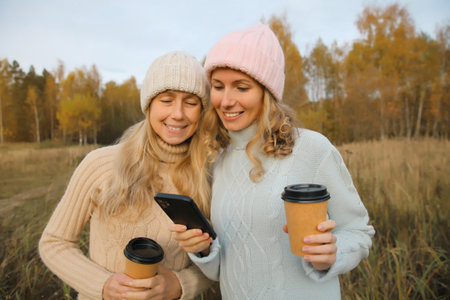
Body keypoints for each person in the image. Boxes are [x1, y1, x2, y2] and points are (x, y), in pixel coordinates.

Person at [170, 24, 375, 299]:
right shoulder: (217, 160)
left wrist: (333, 253)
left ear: (267, 92)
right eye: (218, 87)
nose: (226, 101)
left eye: (241, 87)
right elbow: (223, 271)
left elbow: (358, 230)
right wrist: (203, 250)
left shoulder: (311, 149)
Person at [39, 51, 214, 300]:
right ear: (149, 105)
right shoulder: (100, 164)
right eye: (166, 100)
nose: (178, 113)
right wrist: (102, 285)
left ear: (202, 110)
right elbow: (54, 242)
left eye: (190, 102)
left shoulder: (207, 176)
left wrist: (180, 284)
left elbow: (216, 258)